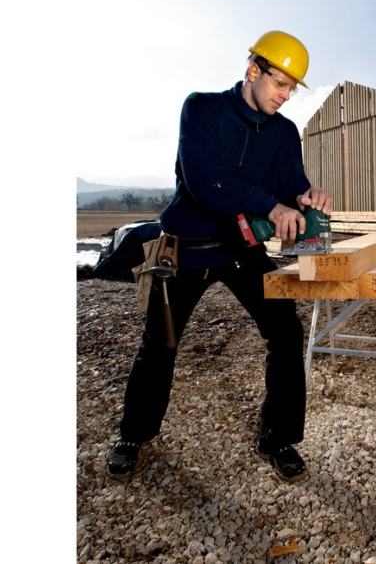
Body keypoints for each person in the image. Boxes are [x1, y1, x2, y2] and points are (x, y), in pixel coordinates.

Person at [107, 30, 332, 482]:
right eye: (279, 83)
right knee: (160, 343)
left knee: (285, 333)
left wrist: (305, 196)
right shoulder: (201, 109)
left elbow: (291, 182)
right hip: (185, 249)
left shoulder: (285, 132)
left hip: (240, 250)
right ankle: (134, 434)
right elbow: (204, 180)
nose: (286, 95)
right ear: (253, 70)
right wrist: (270, 206)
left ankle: (278, 437)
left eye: (292, 88)